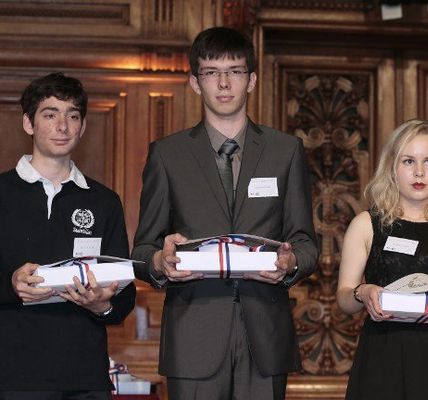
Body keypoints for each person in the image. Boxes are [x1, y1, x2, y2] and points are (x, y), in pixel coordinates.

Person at [132, 27, 318, 400]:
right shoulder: (167, 155)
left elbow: (306, 242)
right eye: (211, 72)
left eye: (234, 71)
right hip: (193, 338)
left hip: (265, 335)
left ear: (251, 80)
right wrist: (159, 260)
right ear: (194, 82)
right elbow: (141, 251)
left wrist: (291, 261)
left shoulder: (286, 151)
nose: (223, 82)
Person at [0, 72, 136, 399]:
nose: (62, 126)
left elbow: (125, 296)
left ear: (83, 127)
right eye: (50, 114)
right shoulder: (1, 192)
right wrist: (11, 285)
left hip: (84, 377)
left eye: (72, 115)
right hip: (12, 377)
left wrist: (102, 304)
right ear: (28, 124)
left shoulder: (103, 201)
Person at [336, 119, 428, 400]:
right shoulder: (366, 224)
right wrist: (363, 292)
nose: (419, 172)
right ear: (392, 167)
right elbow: (344, 299)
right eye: (408, 161)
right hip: (384, 358)